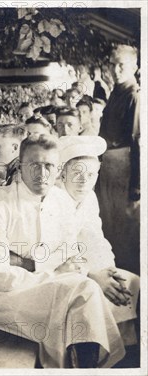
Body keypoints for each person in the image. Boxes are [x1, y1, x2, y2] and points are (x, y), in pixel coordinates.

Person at [0, 134, 125, 368]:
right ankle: (85, 368)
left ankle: (81, 367)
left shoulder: (60, 201)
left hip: (48, 285)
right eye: (33, 165)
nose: (41, 174)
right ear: (20, 166)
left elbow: (72, 253)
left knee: (87, 294)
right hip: (3, 298)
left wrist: (28, 262)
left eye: (48, 166)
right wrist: (46, 268)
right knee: (84, 291)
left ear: (58, 170)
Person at [58, 135, 139, 346]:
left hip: (83, 266)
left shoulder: (88, 198)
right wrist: (92, 274)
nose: (84, 180)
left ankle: (117, 353)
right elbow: (58, 251)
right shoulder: (54, 200)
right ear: (62, 173)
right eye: (77, 173)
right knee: (91, 292)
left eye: (91, 174)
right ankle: (82, 354)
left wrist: (107, 270)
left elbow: (96, 240)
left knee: (129, 282)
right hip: (57, 271)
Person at [97, 45, 140, 276]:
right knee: (109, 229)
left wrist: (136, 186)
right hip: (109, 168)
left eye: (121, 64)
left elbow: (137, 143)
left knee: (124, 233)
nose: (115, 69)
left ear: (135, 66)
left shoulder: (134, 95)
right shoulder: (116, 92)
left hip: (124, 169)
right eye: (112, 64)